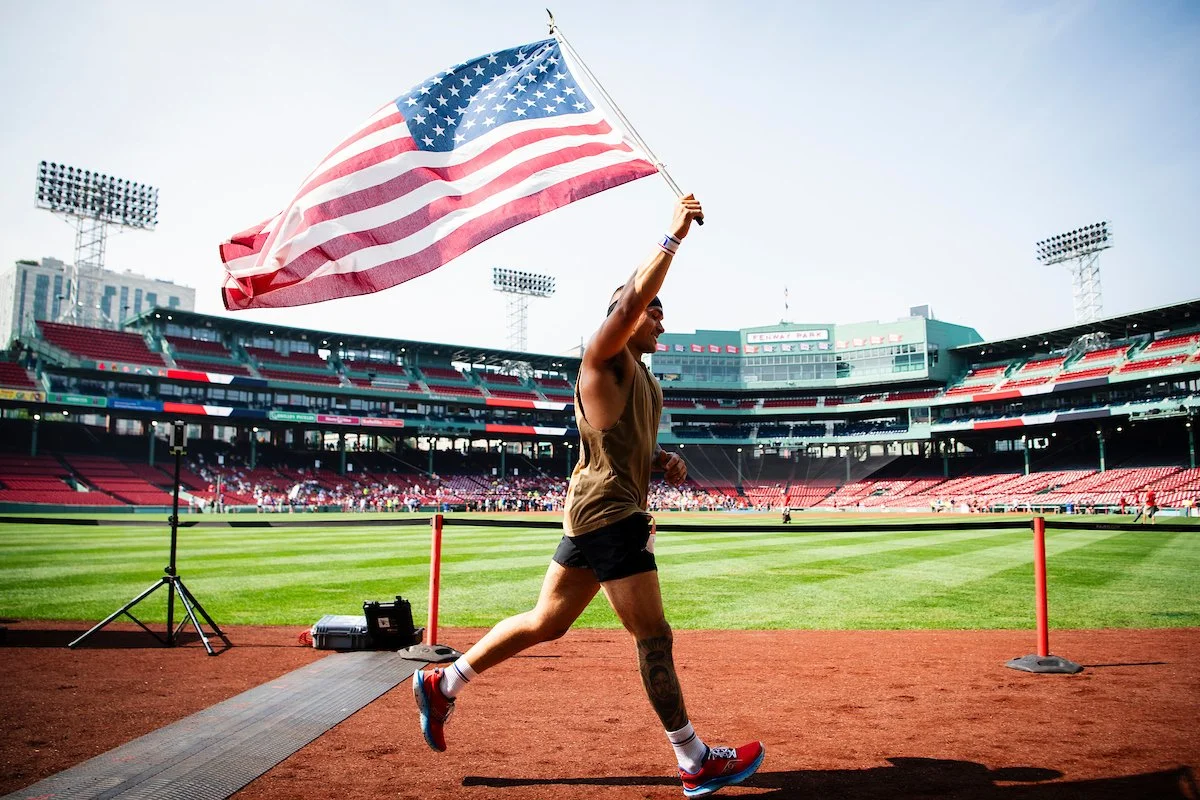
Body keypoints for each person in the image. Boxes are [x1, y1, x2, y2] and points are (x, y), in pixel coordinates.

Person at [412, 194, 765, 798]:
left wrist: (658, 461)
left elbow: (615, 442)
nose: (660, 321)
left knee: (546, 622)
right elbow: (628, 304)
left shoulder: (643, 378)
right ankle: (693, 759)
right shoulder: (605, 358)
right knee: (654, 637)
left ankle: (444, 685)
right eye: (654, 312)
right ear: (625, 318)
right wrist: (673, 236)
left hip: (595, 511)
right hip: (609, 515)